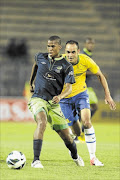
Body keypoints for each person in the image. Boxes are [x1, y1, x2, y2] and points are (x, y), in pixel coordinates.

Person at [28, 36, 84, 168]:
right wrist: (31, 82)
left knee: (67, 138)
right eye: (48, 46)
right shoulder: (40, 57)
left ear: (60, 47)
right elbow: (35, 65)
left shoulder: (66, 65)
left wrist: (60, 96)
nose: (50, 48)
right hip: (38, 98)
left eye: (53, 46)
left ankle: (75, 155)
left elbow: (69, 88)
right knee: (42, 122)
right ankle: (36, 160)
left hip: (54, 103)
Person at [60, 40, 116, 166]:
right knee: (77, 132)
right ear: (65, 52)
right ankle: (73, 145)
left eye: (73, 52)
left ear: (78, 52)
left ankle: (93, 158)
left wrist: (107, 95)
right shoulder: (59, 61)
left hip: (81, 94)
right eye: (68, 52)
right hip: (65, 99)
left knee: (86, 121)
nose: (70, 55)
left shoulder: (85, 60)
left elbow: (100, 75)